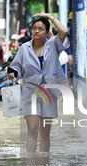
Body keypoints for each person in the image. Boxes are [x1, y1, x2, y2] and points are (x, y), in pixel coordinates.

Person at [7, 13, 69, 153]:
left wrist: (48, 16)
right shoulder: (24, 48)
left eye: (40, 28)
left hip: (49, 93)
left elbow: (64, 31)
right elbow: (16, 66)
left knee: (45, 133)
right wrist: (12, 73)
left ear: (47, 32)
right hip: (31, 93)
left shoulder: (54, 44)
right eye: (34, 28)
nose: (36, 31)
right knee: (33, 129)